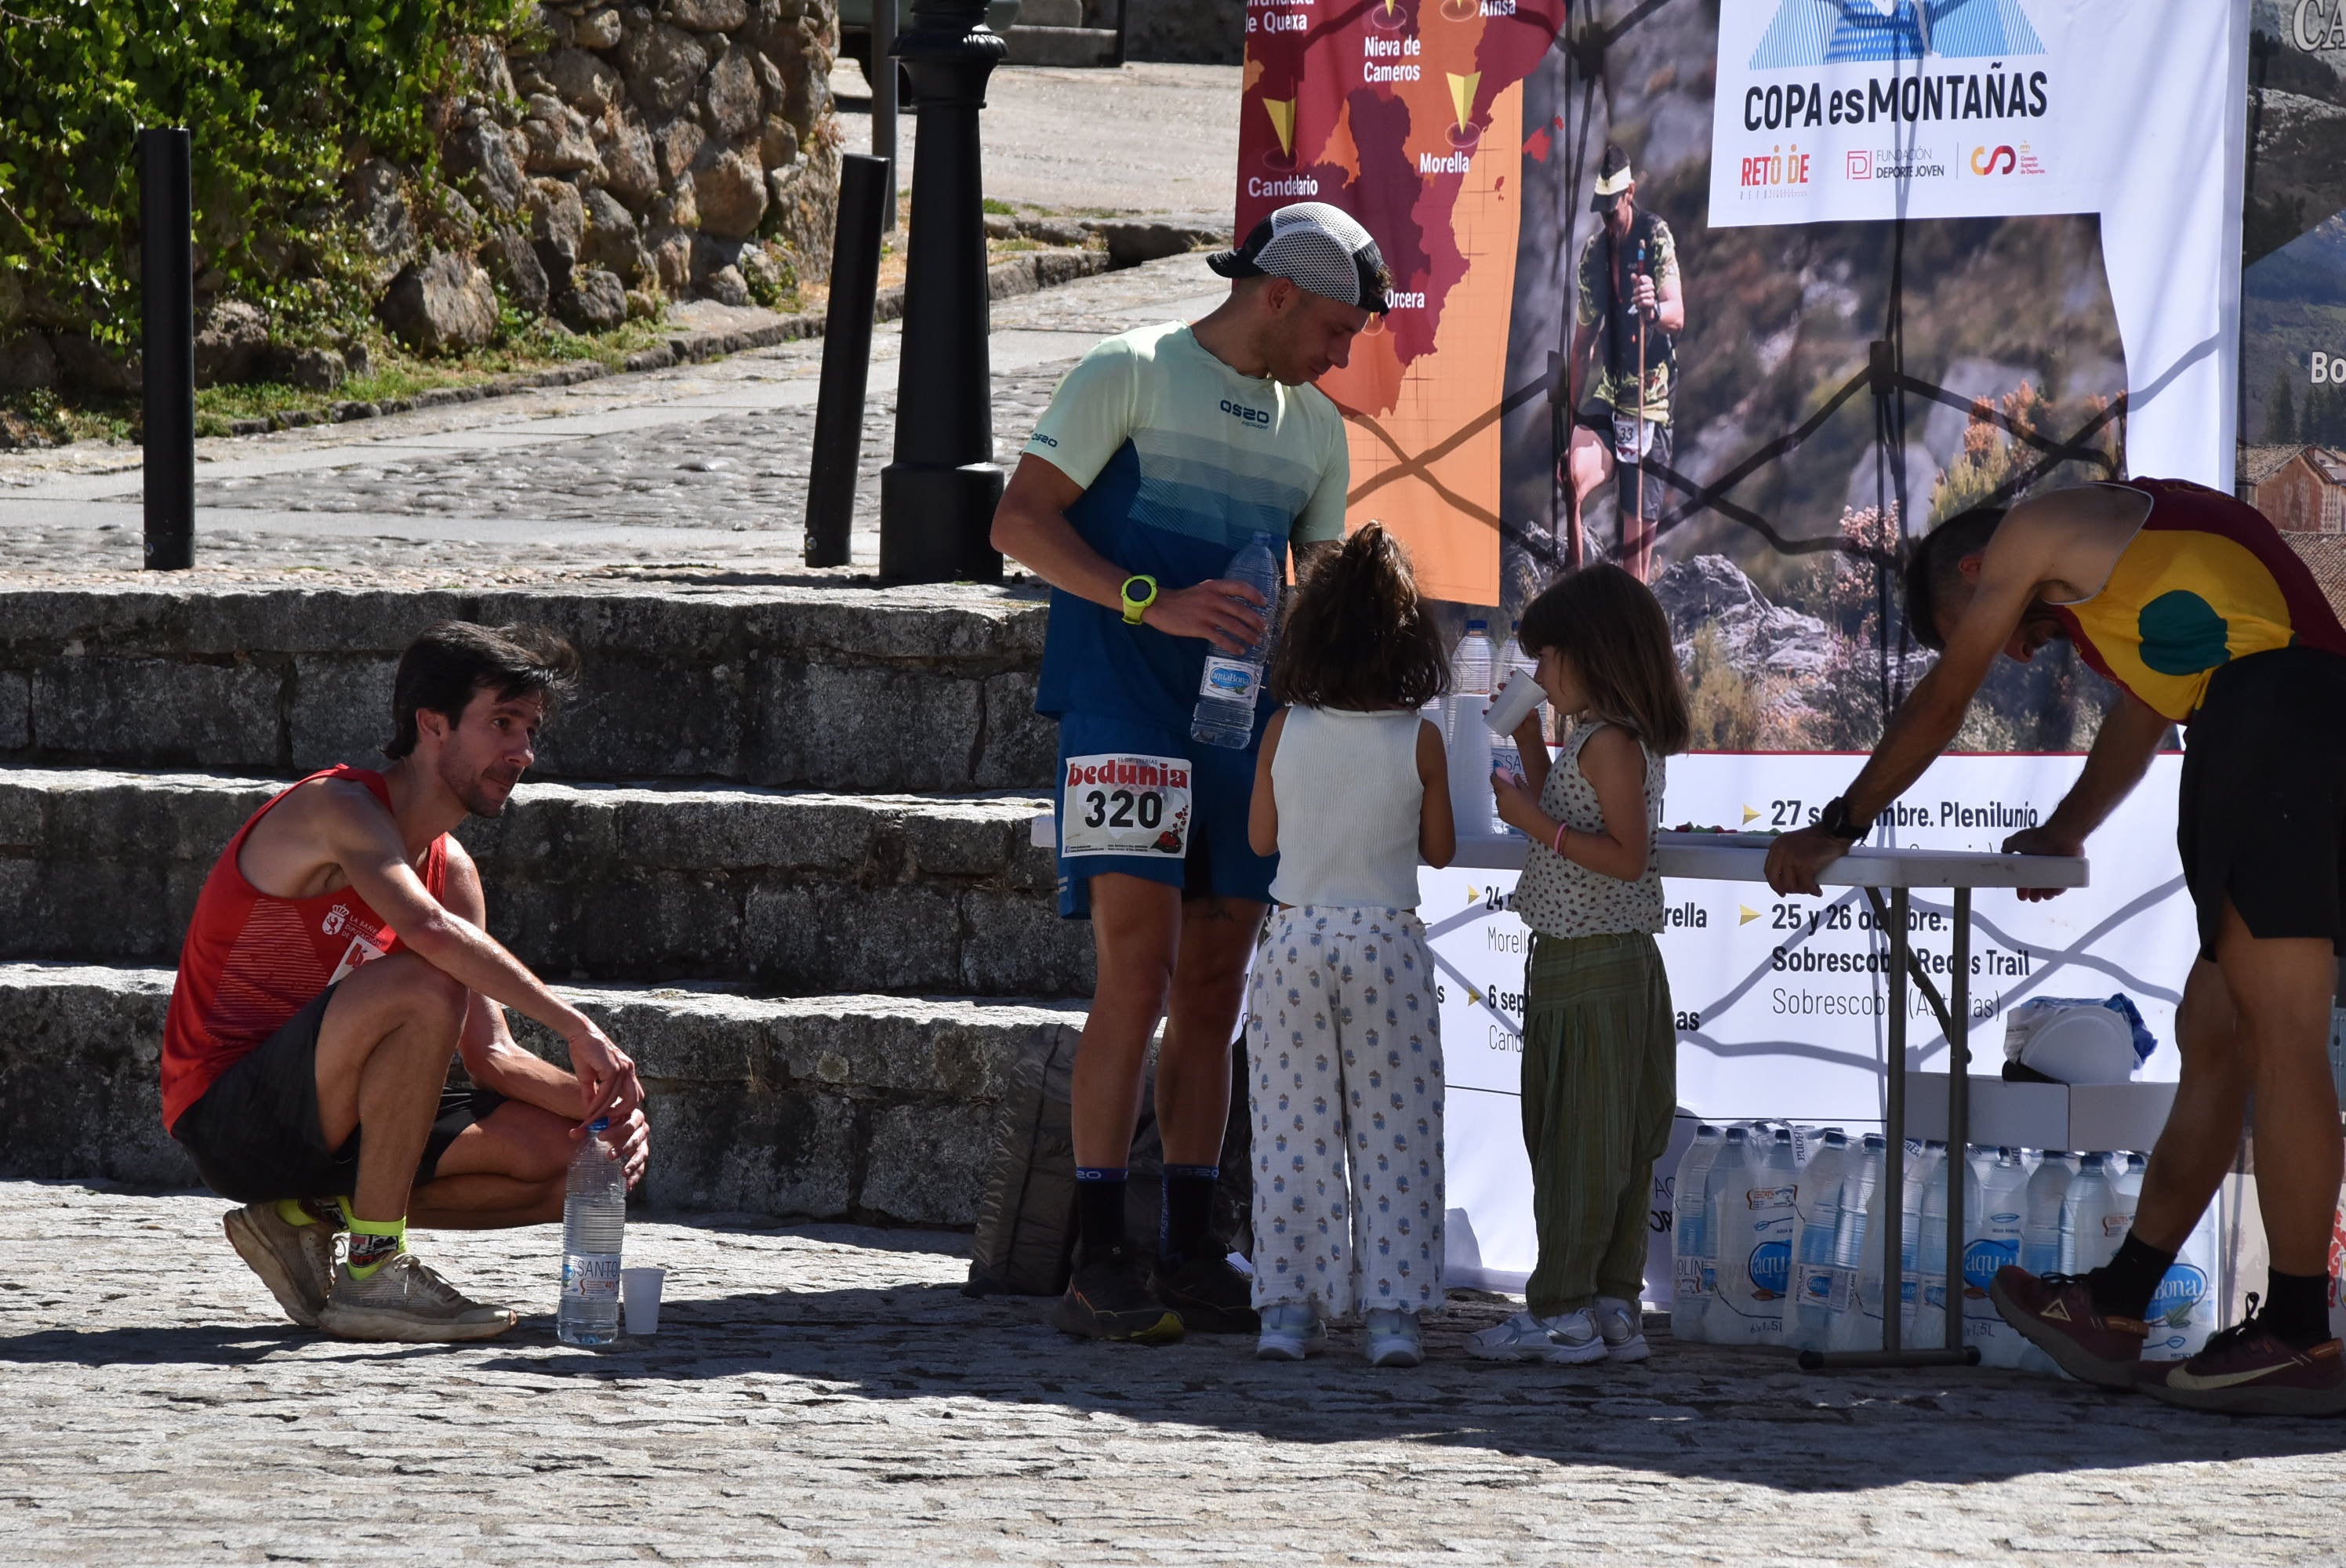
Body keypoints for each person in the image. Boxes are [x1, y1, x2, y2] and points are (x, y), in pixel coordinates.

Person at [1766, 476, 2346, 1416]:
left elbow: (1945, 698)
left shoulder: (2037, 529)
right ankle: (2114, 1306)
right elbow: (2140, 719)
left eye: (1981, 622)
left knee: (2281, 1037)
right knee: (2217, 1036)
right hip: (2296, 724)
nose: (2013, 649)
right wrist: (2067, 826)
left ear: (1975, 567)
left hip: (2275, 725)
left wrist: (1839, 821)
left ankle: (2296, 1332)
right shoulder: (2130, 595)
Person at [990, 201, 1390, 1343]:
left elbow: (1312, 594)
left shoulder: (1317, 428)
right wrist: (1147, 601)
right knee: (1140, 967)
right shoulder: (1131, 368)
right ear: (1276, 295)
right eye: (1336, 327)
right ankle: (1098, 1248)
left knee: (1217, 988)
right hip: (1121, 703)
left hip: (1243, 730)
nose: (1343, 352)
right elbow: (1017, 522)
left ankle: (1190, 1246)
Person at [163, 621, 652, 1343]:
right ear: (432, 725)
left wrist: (610, 1112)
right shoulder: (337, 808)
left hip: (339, 1118)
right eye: (502, 724)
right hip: (233, 1115)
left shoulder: (452, 871)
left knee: (570, 1165)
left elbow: (493, 1056)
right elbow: (427, 937)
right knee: (427, 982)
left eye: (530, 728)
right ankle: (374, 1268)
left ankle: (304, 1216)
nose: (523, 752)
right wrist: (580, 1028)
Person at [1242, 521, 1457, 1367]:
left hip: (1294, 934)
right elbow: (1437, 850)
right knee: (1394, 1131)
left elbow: (1262, 840)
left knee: (1292, 1129)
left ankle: (1288, 1309)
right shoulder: (1420, 739)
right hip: (1385, 938)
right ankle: (1392, 1314)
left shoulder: (1282, 731)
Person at [1471, 564, 1691, 1364]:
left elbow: (1625, 855)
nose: (1539, 675)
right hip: (1588, 962)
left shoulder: (1611, 744)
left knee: (1582, 1143)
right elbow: (1569, 820)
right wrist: (1532, 752)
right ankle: (1606, 1301)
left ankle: (1564, 1307)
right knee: (1597, 1139)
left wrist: (1533, 818)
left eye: (1548, 658)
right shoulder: (1597, 739)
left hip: (1596, 965)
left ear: (1588, 653)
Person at [1562, 143, 1685, 583]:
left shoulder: (1655, 237)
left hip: (1650, 401)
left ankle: (1630, 629)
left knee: (1634, 569)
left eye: (1612, 212)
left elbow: (1677, 315)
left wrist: (1653, 310)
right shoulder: (1594, 255)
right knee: (1572, 477)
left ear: (1630, 193)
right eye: (1601, 214)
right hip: (1612, 394)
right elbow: (1582, 346)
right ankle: (1573, 583)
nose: (1608, 223)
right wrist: (1571, 417)